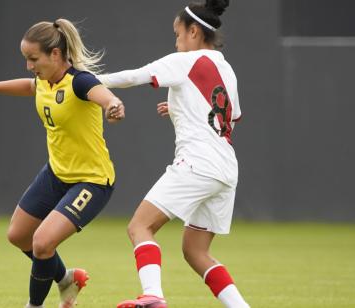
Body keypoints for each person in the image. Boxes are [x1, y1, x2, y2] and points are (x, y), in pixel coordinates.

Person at [0, 18, 125, 308]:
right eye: (26, 58)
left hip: (91, 180)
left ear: (56, 55)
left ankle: (34, 306)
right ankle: (66, 280)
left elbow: (105, 96)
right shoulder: (46, 82)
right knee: (19, 235)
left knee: (42, 243)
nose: (29, 65)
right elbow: (29, 86)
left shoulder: (80, 81)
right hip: (57, 173)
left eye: (33, 58)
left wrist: (113, 106)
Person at [97, 1, 249, 307]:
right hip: (225, 167)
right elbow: (231, 116)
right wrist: (181, 106)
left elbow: (132, 77)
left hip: (198, 162)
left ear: (193, 31)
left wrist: (83, 80)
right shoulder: (225, 67)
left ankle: (153, 296)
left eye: (177, 35)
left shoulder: (187, 61)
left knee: (140, 226)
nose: (177, 42)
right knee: (196, 251)